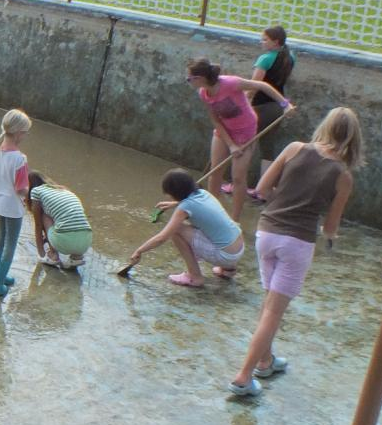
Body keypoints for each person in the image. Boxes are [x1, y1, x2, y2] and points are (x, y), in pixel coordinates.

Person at [229, 108, 362, 396]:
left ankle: (266, 361)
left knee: (268, 306)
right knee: (274, 312)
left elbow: (261, 189)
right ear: (353, 138)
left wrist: (285, 199)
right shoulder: (343, 176)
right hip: (297, 242)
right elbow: (330, 225)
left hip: (266, 233)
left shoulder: (294, 148)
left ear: (325, 126)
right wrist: (330, 238)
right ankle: (243, 375)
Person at [186, 58, 294, 221]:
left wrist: (284, 104)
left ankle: (235, 220)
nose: (188, 82)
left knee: (238, 177)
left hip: (245, 131)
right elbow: (215, 120)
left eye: (189, 79)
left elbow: (262, 85)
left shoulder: (230, 83)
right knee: (215, 173)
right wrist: (230, 145)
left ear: (200, 78)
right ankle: (212, 214)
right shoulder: (203, 93)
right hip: (223, 131)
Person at [128, 169, 246, 288]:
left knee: (177, 230)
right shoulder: (204, 193)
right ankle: (228, 270)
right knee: (211, 227)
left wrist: (140, 250)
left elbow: (162, 237)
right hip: (239, 247)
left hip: (225, 256)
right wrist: (175, 204)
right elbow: (197, 206)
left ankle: (194, 276)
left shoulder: (185, 207)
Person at [227, 26, 296, 201]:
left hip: (261, 107)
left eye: (265, 39)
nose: (261, 42)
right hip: (278, 107)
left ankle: (237, 183)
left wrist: (243, 105)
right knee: (267, 146)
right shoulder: (289, 57)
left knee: (245, 143)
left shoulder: (265, 59)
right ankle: (263, 189)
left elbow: (253, 86)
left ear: (276, 42)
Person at [0, 109, 31, 298]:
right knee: (10, 245)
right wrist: (30, 194)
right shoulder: (20, 159)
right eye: (26, 132)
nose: (26, 136)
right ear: (19, 133)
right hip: (12, 206)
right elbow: (21, 189)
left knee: (1, 238)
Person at [27, 172, 92, 269]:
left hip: (64, 241)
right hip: (86, 241)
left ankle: (53, 256)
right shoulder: (63, 189)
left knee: (44, 216)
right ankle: (77, 257)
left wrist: (41, 254)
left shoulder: (36, 191)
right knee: (67, 218)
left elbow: (38, 225)